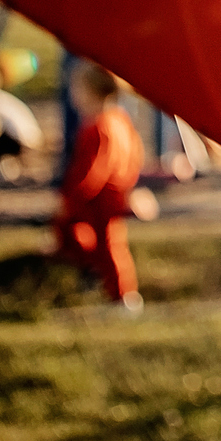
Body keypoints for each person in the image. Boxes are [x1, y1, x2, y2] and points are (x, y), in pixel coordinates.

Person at [53, 62, 144, 312]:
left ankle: (124, 298)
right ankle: (100, 280)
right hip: (112, 191)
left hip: (100, 197)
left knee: (107, 245)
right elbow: (136, 151)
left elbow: (91, 171)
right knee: (95, 241)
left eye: (75, 88)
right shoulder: (118, 119)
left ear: (89, 92)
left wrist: (71, 198)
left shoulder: (99, 127)